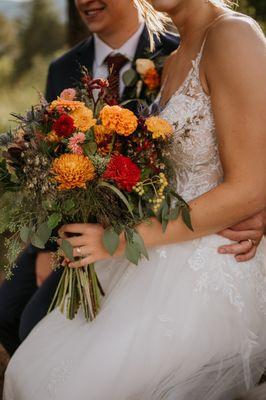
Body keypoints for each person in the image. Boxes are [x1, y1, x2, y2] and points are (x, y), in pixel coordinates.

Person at [3, 1, 266, 399]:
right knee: (30, 366)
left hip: (211, 259)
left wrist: (124, 239)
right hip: (154, 243)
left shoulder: (233, 35)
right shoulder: (177, 56)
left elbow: (251, 185)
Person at [0, 0, 179, 357]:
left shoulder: (171, 53)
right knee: (6, 312)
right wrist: (46, 248)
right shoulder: (63, 67)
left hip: (138, 232)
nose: (85, 1)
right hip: (68, 229)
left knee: (36, 321)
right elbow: (49, 163)